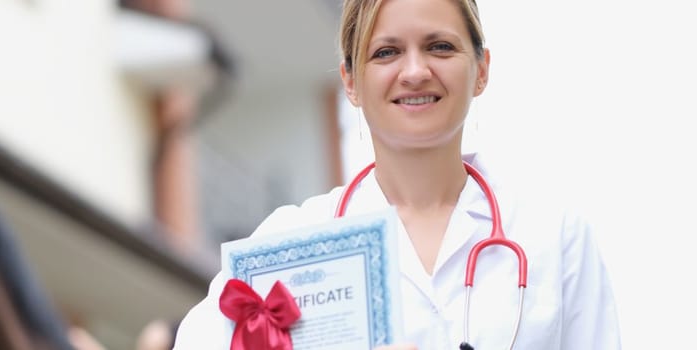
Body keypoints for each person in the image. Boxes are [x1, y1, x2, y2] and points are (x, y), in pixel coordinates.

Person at [172, 0, 621, 349]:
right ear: (350, 81)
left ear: (481, 69)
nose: (415, 71)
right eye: (386, 52)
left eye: (439, 46)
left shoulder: (554, 237)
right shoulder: (288, 246)